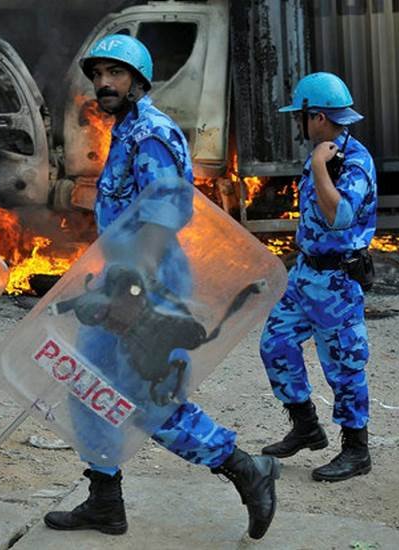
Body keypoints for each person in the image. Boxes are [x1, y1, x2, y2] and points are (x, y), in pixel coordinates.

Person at [43, 34, 280, 539]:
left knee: (146, 400)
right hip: (122, 278)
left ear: (138, 82)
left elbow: (162, 214)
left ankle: (244, 467)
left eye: (115, 73)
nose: (104, 83)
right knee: (87, 385)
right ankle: (104, 500)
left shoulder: (151, 132)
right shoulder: (126, 131)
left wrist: (132, 289)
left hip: (146, 283)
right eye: (98, 74)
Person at [259, 72, 377, 482]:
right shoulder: (321, 156)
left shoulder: (355, 161)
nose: (300, 124)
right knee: (275, 344)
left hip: (337, 281)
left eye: (302, 116)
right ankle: (305, 426)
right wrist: (318, 163)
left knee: (344, 364)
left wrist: (319, 167)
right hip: (305, 274)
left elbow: (340, 215)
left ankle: (356, 450)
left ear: (318, 117)